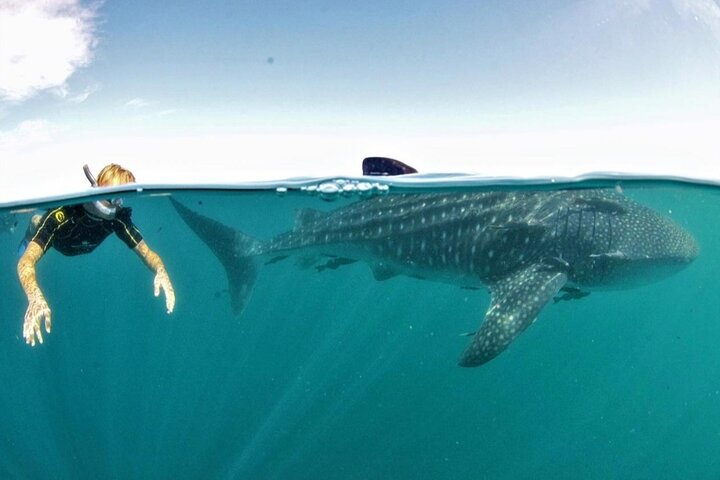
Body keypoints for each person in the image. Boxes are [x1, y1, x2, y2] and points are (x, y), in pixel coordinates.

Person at [17, 164, 175, 346]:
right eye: (114, 196)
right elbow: (26, 262)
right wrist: (34, 296)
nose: (118, 204)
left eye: (122, 197)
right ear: (97, 189)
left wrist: (160, 270)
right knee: (38, 222)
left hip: (83, 247)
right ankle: (32, 225)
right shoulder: (62, 216)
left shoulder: (117, 220)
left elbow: (147, 252)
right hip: (60, 244)